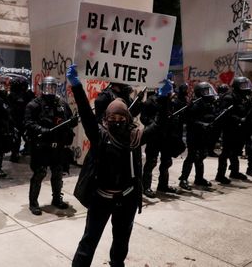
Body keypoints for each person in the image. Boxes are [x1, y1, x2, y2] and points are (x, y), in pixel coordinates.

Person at [67, 65, 157, 267]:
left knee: (121, 243)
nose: (116, 122)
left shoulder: (135, 137)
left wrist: (164, 98)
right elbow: (85, 113)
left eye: (121, 118)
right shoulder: (99, 135)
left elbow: (160, 125)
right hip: (101, 198)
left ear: (128, 119)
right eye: (112, 118)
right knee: (89, 241)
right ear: (106, 120)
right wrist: (77, 87)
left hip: (126, 200)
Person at [25, 76, 77, 216]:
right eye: (47, 87)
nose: (50, 90)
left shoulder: (61, 103)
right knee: (39, 173)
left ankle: (56, 199)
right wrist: (42, 130)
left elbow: (69, 120)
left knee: (58, 173)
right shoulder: (34, 105)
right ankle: (33, 203)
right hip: (41, 146)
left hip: (58, 146)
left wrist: (73, 121)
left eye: (52, 87)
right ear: (42, 88)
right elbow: (28, 123)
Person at [140, 79, 181, 198]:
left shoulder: (171, 102)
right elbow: (144, 118)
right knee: (151, 162)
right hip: (154, 136)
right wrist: (154, 123)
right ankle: (146, 186)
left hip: (167, 137)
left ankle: (163, 185)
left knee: (166, 162)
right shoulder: (151, 101)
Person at [178, 82, 218, 190]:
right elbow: (189, 120)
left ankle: (199, 178)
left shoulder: (209, 103)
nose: (208, 93)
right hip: (194, 135)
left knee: (201, 157)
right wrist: (202, 124)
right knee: (191, 156)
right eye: (205, 91)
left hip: (204, 135)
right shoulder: (195, 104)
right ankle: (183, 179)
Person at [215, 76, 252, 184]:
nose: (245, 87)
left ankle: (234, 172)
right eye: (243, 85)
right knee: (226, 152)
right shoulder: (229, 97)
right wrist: (238, 119)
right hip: (230, 129)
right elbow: (225, 114)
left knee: (236, 152)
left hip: (240, 130)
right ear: (237, 86)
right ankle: (220, 175)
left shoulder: (244, 97)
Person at [7, 76, 35, 162]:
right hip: (22, 119)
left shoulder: (13, 95)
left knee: (17, 137)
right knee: (25, 136)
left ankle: (16, 153)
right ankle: (24, 151)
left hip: (18, 119)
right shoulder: (28, 94)